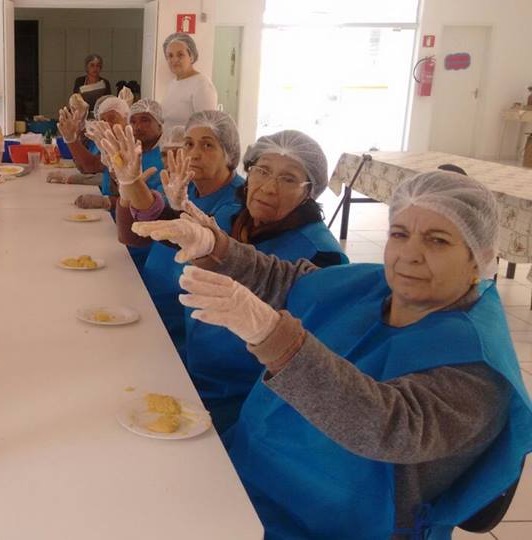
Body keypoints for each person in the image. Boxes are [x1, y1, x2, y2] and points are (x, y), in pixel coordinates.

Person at [137, 170, 532, 538]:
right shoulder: (372, 285)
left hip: (330, 524)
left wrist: (275, 337)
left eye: (437, 240)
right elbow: (288, 280)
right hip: (251, 471)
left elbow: (386, 425)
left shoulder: (478, 366)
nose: (409, 255)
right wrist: (215, 246)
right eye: (399, 234)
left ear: (478, 256)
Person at [134, 128, 347, 430]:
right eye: (262, 171)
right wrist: (131, 183)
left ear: (308, 191)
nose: (268, 188)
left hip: (250, 400)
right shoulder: (231, 217)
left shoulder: (321, 255)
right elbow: (176, 235)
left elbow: (316, 352)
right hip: (194, 369)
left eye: (288, 179)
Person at [105, 110, 245, 360]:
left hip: (179, 328)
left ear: (230, 154)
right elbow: (134, 237)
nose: (194, 154)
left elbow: (177, 231)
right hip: (146, 300)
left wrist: (134, 184)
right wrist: (127, 188)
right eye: (189, 144)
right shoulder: (182, 185)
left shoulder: (235, 206)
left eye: (208, 145)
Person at [160, 33, 218, 129]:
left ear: (191, 56)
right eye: (170, 56)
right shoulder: (173, 83)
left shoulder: (202, 84)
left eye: (180, 55)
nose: (174, 60)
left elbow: (206, 127)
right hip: (169, 143)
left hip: (188, 143)